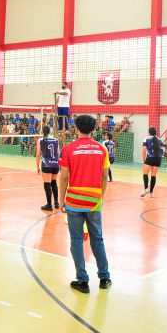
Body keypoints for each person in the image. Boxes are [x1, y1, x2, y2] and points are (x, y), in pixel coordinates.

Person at [58, 114, 111, 294]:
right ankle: (104, 277)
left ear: (76, 128)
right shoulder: (101, 149)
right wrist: (100, 196)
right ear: (93, 129)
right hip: (94, 201)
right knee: (98, 239)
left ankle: (83, 280)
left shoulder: (68, 148)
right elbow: (105, 176)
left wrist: (60, 200)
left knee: (76, 240)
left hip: (74, 201)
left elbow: (64, 176)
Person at [36, 126, 60, 211]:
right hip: (56, 164)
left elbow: (38, 154)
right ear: (50, 132)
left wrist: (37, 166)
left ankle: (49, 205)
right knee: (54, 182)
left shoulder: (40, 140)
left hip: (46, 164)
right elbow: (58, 153)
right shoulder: (56, 140)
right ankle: (56, 203)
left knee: (47, 184)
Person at [141, 127, 162, 198]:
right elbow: (162, 149)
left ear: (149, 132)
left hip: (150, 157)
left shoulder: (146, 139)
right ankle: (151, 193)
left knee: (145, 173)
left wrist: (144, 160)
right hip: (158, 158)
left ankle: (146, 188)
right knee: (153, 175)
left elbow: (144, 150)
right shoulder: (159, 139)